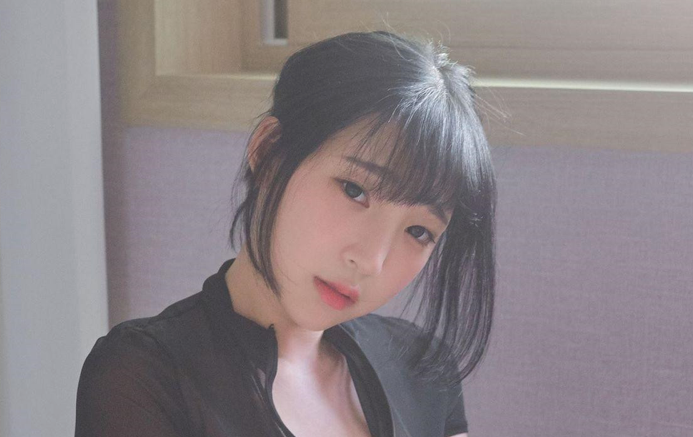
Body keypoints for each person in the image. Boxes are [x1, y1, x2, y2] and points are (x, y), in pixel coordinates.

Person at [75, 30, 495, 437]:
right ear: (268, 152)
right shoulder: (145, 375)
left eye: (419, 231)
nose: (370, 261)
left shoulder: (420, 368)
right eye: (355, 190)